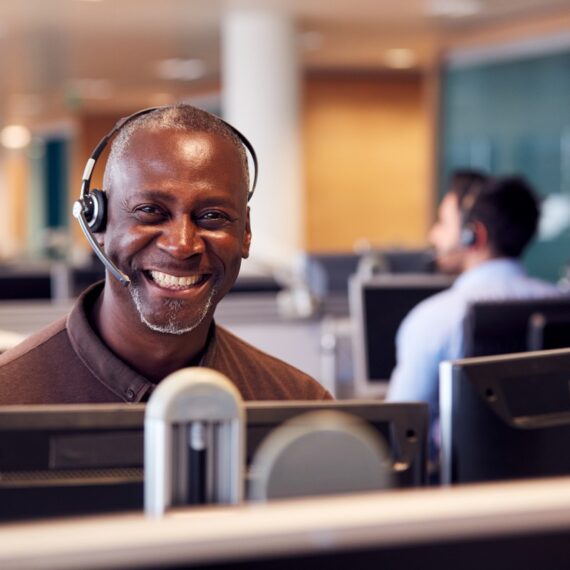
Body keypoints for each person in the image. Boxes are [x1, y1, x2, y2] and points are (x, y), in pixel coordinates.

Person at [0, 104, 331, 404]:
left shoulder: (297, 405)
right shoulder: (9, 395)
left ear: (245, 233)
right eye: (150, 211)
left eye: (212, 216)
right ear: (96, 222)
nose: (182, 244)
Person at [386, 171, 560, 451]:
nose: (433, 234)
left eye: (442, 223)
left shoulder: (435, 318)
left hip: (462, 492)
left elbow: (400, 433)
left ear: (474, 235)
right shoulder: (562, 304)